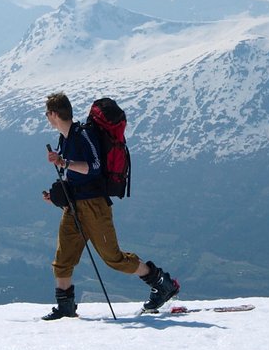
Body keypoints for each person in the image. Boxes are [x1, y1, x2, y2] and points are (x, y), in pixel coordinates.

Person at [40, 92, 179, 320]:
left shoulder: (83, 135)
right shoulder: (64, 139)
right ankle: (65, 308)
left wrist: (64, 162)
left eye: (47, 113)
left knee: (114, 258)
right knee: (63, 259)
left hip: (95, 207)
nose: (47, 117)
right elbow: (74, 175)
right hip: (73, 206)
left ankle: (162, 282)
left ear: (54, 114)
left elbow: (94, 167)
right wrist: (57, 196)